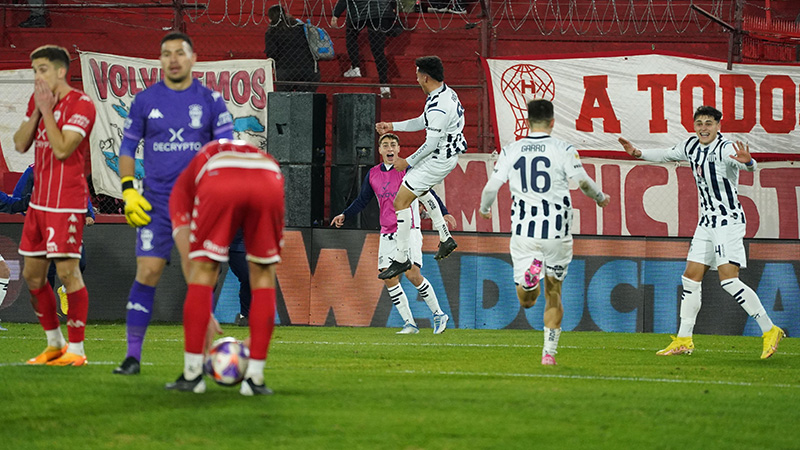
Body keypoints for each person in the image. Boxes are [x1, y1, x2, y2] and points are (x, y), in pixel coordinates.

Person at [618, 105, 785, 359]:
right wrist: (638, 153)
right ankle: (684, 339)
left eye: (709, 123)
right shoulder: (691, 146)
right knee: (690, 278)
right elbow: (665, 154)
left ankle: (769, 329)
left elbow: (748, 167)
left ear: (719, 126)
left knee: (729, 280)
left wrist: (749, 162)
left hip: (727, 222)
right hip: (706, 223)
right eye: (699, 123)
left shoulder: (726, 148)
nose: (703, 128)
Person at [113, 31, 234, 376]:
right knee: (148, 271)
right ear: (161, 60)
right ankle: (132, 356)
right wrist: (128, 190)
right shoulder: (144, 100)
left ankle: (199, 358)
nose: (173, 59)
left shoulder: (210, 100)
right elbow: (126, 149)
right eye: (166, 54)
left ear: (193, 58)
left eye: (180, 53)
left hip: (198, 202)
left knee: (199, 277)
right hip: (156, 201)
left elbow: (224, 149)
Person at [479, 99, 610, 365]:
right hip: (557, 231)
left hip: (525, 231)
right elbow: (583, 182)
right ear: (552, 122)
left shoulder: (511, 150)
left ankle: (530, 279)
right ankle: (548, 354)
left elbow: (491, 188)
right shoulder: (563, 148)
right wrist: (600, 197)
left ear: (527, 122)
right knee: (554, 293)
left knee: (527, 300)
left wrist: (484, 209)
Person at [165, 139, 283, 395]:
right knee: (263, 274)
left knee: (203, 271)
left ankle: (193, 375)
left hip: (221, 178)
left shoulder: (181, 190)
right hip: (269, 175)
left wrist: (203, 313)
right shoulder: (242, 153)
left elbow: (192, 262)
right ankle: (255, 378)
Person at [12, 44, 96, 366]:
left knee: (68, 272)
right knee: (33, 276)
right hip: (39, 203)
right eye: (34, 71)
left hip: (67, 201)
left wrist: (47, 111)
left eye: (43, 69)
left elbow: (62, 149)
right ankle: (54, 343)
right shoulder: (39, 102)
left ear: (61, 71)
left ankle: (77, 350)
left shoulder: (82, 104)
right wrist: (37, 110)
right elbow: (20, 143)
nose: (37, 76)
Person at [331, 133, 454, 334]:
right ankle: (410, 324)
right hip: (387, 231)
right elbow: (362, 200)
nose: (389, 148)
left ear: (398, 149)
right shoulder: (373, 174)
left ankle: (439, 314)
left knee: (412, 274)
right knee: (387, 277)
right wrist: (345, 214)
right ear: (380, 150)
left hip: (410, 228)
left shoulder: (409, 170)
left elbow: (428, 193)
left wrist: (444, 213)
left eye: (393, 145)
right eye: (385, 145)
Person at [375, 55, 466, 280]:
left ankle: (401, 257)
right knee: (420, 190)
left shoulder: (440, 107)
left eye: (417, 75)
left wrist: (407, 161)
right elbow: (421, 121)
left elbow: (431, 143)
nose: (416, 79)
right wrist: (392, 126)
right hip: (443, 154)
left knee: (401, 201)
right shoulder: (444, 93)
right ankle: (445, 238)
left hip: (439, 158)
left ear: (425, 77)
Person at [0, 163, 94, 315]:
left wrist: (89, 214)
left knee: (79, 262)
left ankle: (64, 289)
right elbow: (17, 199)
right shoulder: (33, 170)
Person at [332, 0, 395, 98]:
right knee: (378, 50)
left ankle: (355, 67)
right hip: (381, 10)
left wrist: (336, 14)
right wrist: (393, 6)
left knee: (351, 35)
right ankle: (384, 86)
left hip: (359, 10)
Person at [264, 4, 321, 93]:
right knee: (306, 100)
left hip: (285, 69)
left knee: (284, 99)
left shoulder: (272, 31)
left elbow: (272, 53)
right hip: (308, 68)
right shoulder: (299, 27)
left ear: (270, 18)